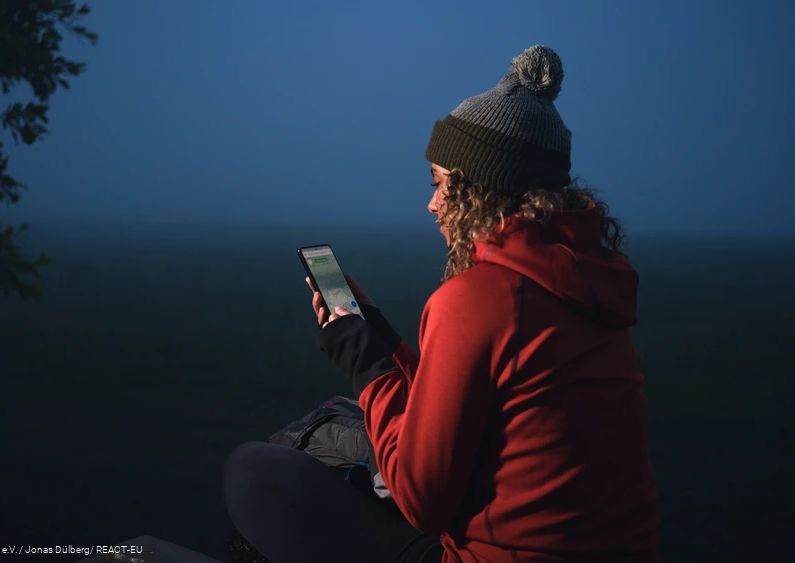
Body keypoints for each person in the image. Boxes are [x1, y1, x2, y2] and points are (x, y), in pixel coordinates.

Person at [222, 45, 659, 563]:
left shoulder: (479, 298)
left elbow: (424, 501)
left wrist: (365, 364)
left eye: (439, 184)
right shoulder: (588, 287)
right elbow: (482, 411)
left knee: (254, 469)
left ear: (478, 190)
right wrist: (380, 336)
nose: (431, 204)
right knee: (340, 424)